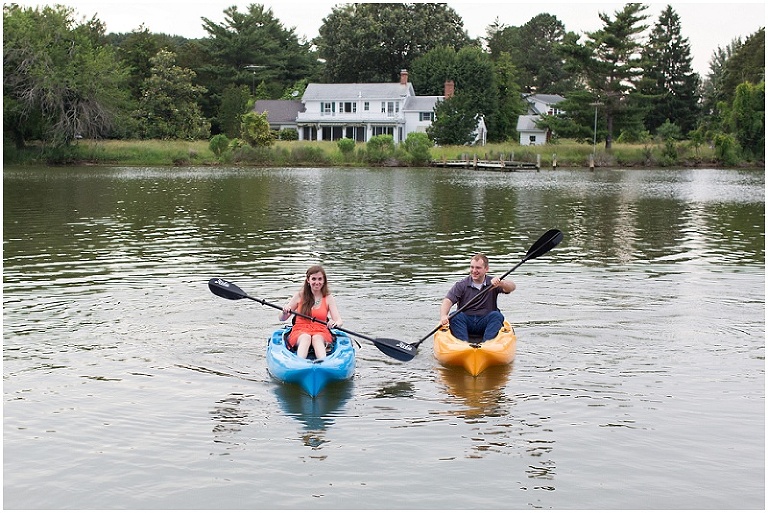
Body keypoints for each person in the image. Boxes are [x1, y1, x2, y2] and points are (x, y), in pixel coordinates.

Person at [439, 253, 516, 342]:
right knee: (454, 316)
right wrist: (443, 315)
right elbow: (448, 301)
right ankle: (463, 344)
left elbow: (512, 287)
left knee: (497, 316)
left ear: (486, 269)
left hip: (486, 321)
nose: (474, 270)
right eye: (472, 267)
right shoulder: (461, 285)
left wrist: (502, 283)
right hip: (466, 321)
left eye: (478, 268)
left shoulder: (493, 283)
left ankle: (487, 344)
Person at [279, 265, 343, 359]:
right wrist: (285, 312)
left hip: (321, 331)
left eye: (320, 279)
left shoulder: (328, 298)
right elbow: (282, 318)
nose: (317, 282)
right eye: (314, 279)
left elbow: (339, 321)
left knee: (317, 338)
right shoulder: (300, 296)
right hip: (300, 331)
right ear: (308, 280)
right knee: (306, 337)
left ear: (324, 280)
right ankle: (300, 363)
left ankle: (323, 363)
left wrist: (334, 323)